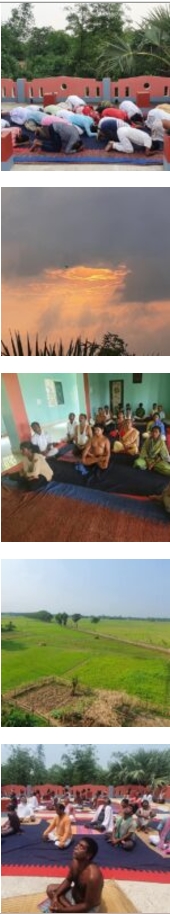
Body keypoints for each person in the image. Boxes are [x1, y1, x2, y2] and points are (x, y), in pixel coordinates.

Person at [46, 837, 103, 913]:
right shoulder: (75, 862)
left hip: (87, 908)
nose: (76, 847)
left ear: (88, 855)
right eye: (78, 844)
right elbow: (68, 880)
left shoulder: (93, 877)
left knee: (59, 906)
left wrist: (62, 910)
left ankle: (67, 909)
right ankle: (70, 909)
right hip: (74, 896)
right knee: (51, 889)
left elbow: (87, 905)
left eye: (81, 847)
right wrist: (56, 896)